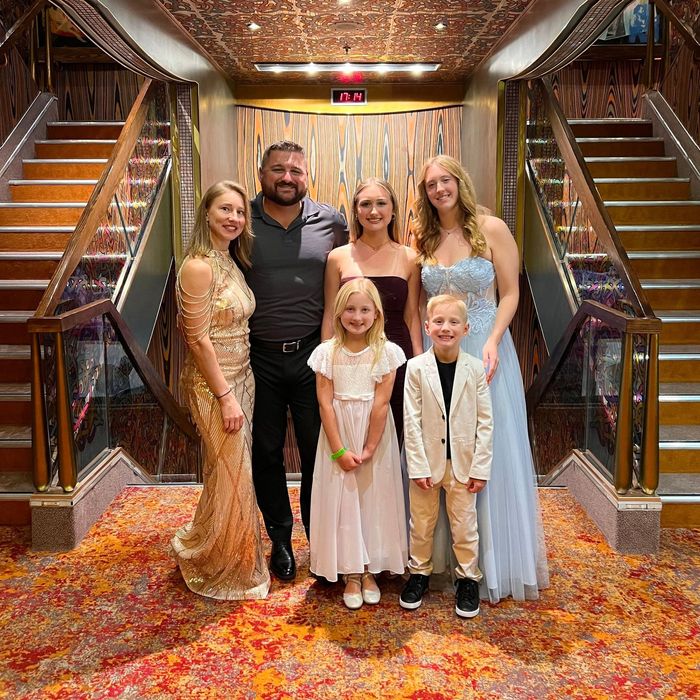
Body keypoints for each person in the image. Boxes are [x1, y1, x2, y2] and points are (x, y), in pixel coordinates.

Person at [415, 154, 549, 603]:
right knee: (441, 447)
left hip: (486, 347)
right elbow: (421, 304)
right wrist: (421, 352)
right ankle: (437, 562)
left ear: (460, 181)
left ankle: (491, 562)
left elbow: (510, 292)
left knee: (487, 447)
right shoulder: (424, 235)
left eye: (446, 180)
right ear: (425, 192)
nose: (439, 189)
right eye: (431, 183)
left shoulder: (490, 228)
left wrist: (492, 339)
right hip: (440, 352)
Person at [238, 140, 348, 581]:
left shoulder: (332, 222)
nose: (288, 177)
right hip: (256, 356)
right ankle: (280, 540)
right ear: (261, 172)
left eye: (296, 171)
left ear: (308, 176)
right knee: (265, 453)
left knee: (317, 450)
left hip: (312, 355)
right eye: (279, 169)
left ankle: (320, 542)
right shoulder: (241, 220)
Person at [171, 180, 270, 600]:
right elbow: (196, 340)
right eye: (224, 210)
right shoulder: (198, 266)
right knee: (235, 474)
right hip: (216, 388)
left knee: (227, 473)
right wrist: (225, 396)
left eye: (240, 212)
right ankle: (228, 567)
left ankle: (216, 543)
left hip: (243, 377)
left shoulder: (231, 259)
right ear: (207, 214)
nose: (233, 218)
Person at [308, 278, 408, 609]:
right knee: (344, 500)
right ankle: (350, 570)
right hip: (338, 434)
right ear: (339, 313)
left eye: (365, 309)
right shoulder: (326, 352)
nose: (357, 316)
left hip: (373, 436)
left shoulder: (387, 352)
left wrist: (369, 448)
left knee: (372, 498)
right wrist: (338, 449)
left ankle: (369, 570)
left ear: (376, 313)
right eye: (350, 309)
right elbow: (324, 402)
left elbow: (382, 403)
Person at [401, 295, 493, 618]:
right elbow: (411, 420)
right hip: (427, 463)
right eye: (438, 322)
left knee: (465, 525)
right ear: (427, 327)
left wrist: (480, 467)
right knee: (422, 523)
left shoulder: (475, 369)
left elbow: (485, 421)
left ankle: (468, 578)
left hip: (463, 465)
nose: (445, 328)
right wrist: (417, 465)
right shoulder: (415, 369)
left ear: (466, 328)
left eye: (454, 322)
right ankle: (419, 573)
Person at [322, 178, 423, 441]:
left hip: (396, 356)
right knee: (351, 432)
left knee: (395, 433)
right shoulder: (339, 257)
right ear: (356, 211)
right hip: (349, 358)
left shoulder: (410, 257)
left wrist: (419, 363)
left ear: (393, 211)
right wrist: (327, 363)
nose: (374, 211)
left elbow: (412, 316)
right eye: (365, 204)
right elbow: (330, 315)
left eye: (381, 203)